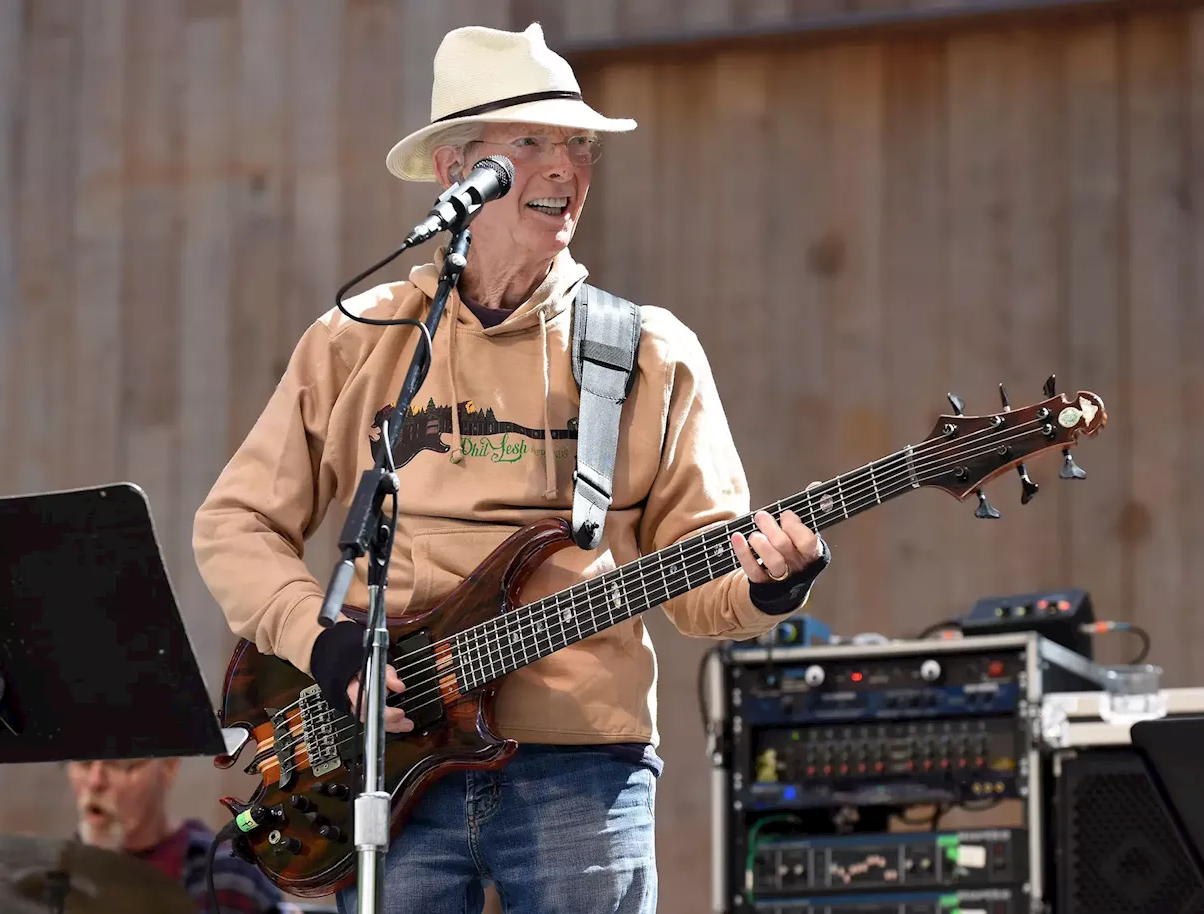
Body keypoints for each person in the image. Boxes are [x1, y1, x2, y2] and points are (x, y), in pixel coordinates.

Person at [192, 21, 831, 914]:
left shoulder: (647, 350)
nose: (565, 167)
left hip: (583, 771)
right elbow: (235, 524)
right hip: (385, 763)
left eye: (579, 146)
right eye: (530, 142)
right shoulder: (359, 338)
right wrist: (325, 642)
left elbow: (699, 576)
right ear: (455, 171)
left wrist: (769, 586)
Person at [67, 757, 284, 913]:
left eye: (118, 763)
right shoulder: (48, 874)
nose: (95, 781)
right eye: (82, 762)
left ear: (169, 766)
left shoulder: (229, 877)